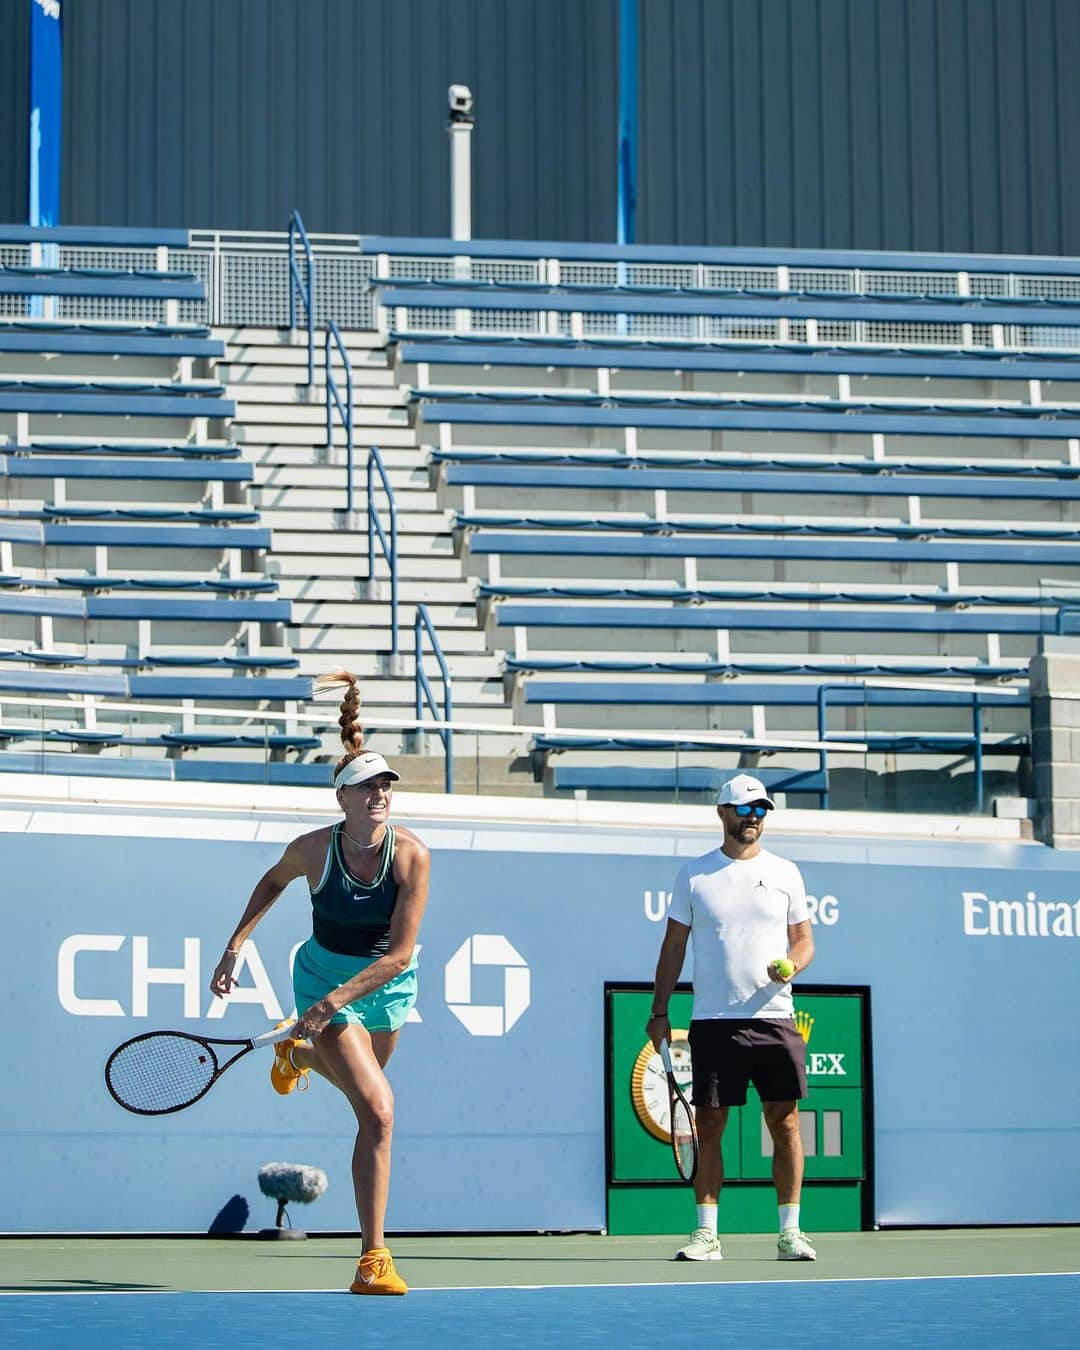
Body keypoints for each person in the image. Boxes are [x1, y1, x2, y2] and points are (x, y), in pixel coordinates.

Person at [209, 669, 429, 1296]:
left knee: (365, 1102)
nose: (380, 794)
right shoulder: (312, 849)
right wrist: (235, 945)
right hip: (322, 977)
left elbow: (400, 954)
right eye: (366, 786)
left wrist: (329, 1010)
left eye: (386, 784)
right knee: (381, 1114)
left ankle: (297, 1052)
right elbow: (272, 882)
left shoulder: (413, 856)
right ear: (343, 798)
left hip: (386, 986)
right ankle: (373, 1261)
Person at [647, 772, 817, 1263]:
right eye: (745, 809)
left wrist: (793, 964)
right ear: (723, 813)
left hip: (774, 1017)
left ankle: (790, 1232)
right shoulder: (694, 874)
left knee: (784, 1123)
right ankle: (707, 1235)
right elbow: (673, 946)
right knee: (712, 1123)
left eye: (762, 810)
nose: (754, 818)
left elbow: (804, 942)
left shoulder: (787, 872)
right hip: (714, 1019)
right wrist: (660, 1010)